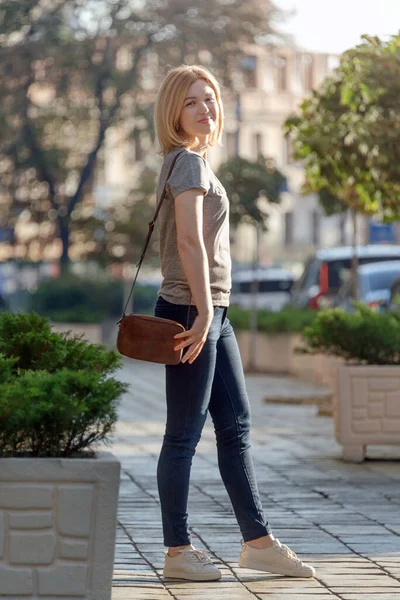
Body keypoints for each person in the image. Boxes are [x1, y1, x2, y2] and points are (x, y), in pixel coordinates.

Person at [153, 65, 316, 582]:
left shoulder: (196, 162)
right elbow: (188, 243)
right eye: (191, 102)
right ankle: (177, 552)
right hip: (190, 310)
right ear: (173, 113)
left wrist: (212, 312)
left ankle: (258, 543)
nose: (205, 109)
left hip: (212, 310)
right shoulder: (188, 165)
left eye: (210, 99)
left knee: (236, 427)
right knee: (183, 435)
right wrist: (201, 314)